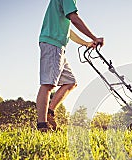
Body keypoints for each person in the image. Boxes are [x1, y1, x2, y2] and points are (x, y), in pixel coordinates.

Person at [37, 0, 104, 131]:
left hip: (58, 46)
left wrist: (86, 43)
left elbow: (69, 30)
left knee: (70, 82)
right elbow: (74, 19)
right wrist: (94, 37)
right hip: (53, 44)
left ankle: (49, 113)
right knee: (48, 85)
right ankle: (42, 125)